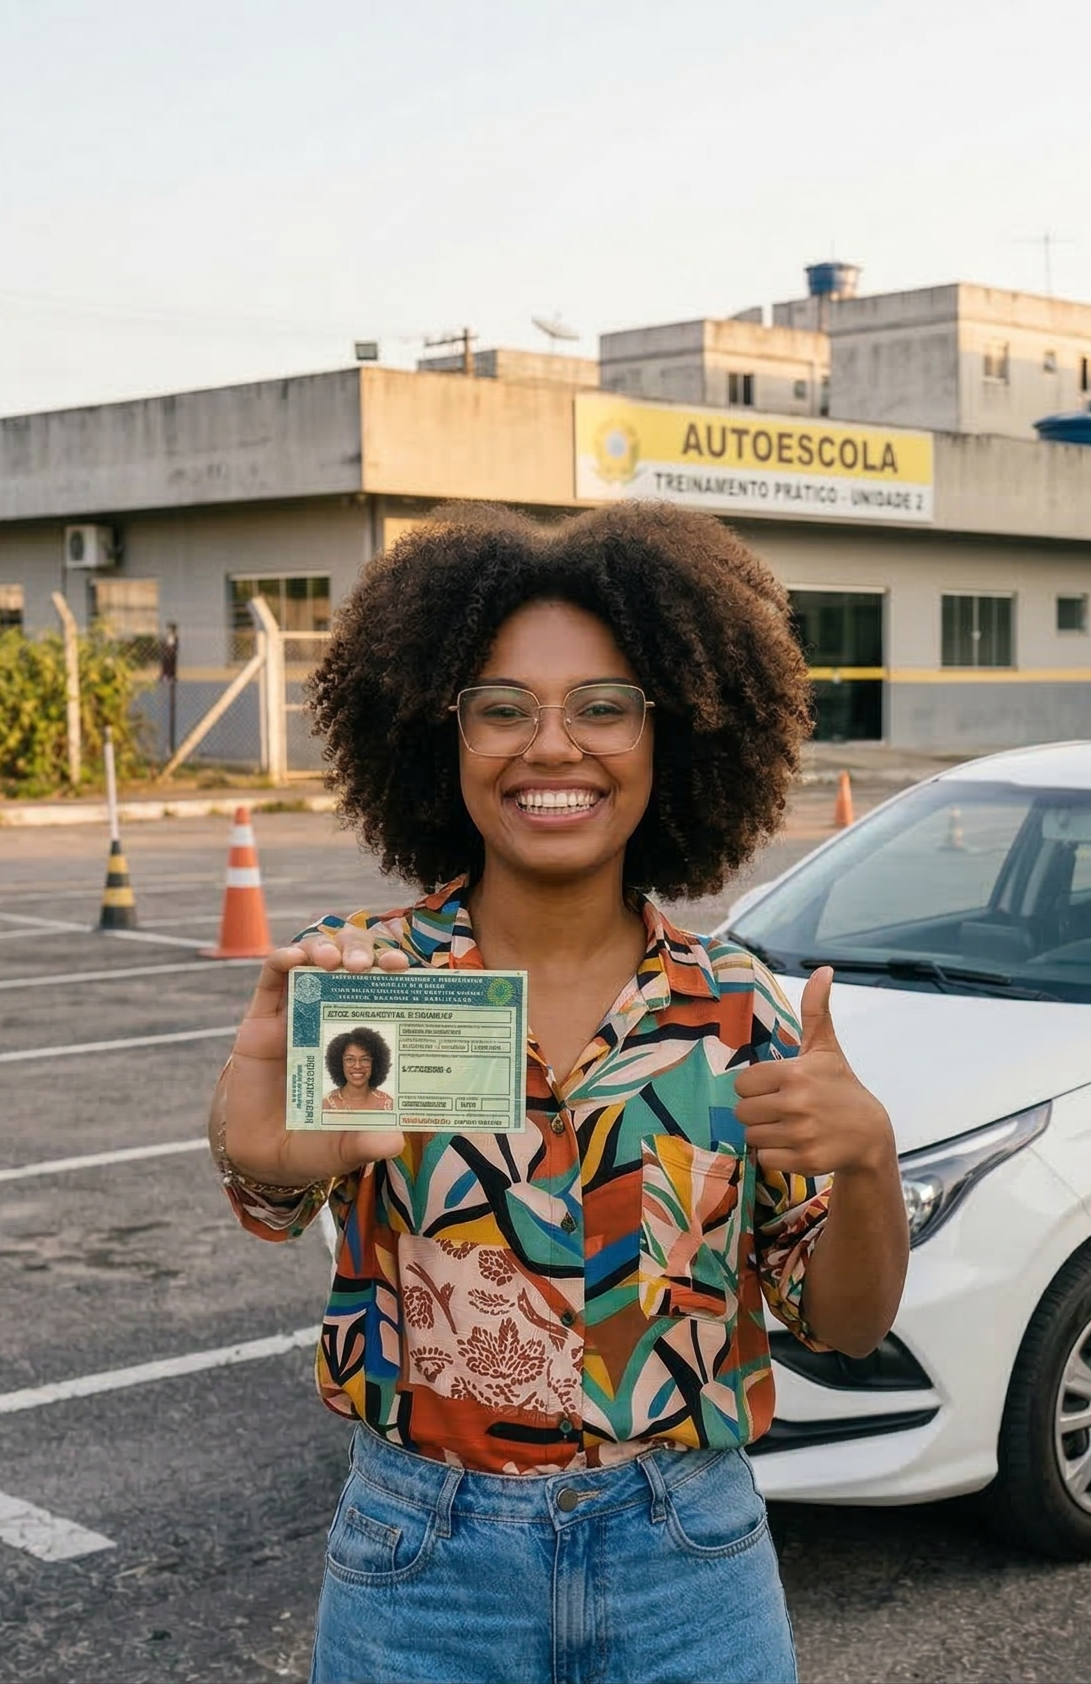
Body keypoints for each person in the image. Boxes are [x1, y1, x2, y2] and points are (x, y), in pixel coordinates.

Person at [204, 502, 908, 1684]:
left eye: (602, 705)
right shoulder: (371, 984)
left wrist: (869, 1161)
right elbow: (274, 1201)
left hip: (688, 1558)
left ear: (667, 736)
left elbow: (844, 1322)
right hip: (423, 1568)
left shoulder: (738, 1009)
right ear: (443, 737)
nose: (552, 746)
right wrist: (259, 1135)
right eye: (501, 707)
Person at [317, 1027, 393, 1112]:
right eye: (349, 1059)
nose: (357, 1066)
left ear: (375, 1064)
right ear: (339, 1063)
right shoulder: (326, 1105)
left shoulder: (388, 1104)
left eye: (365, 1060)